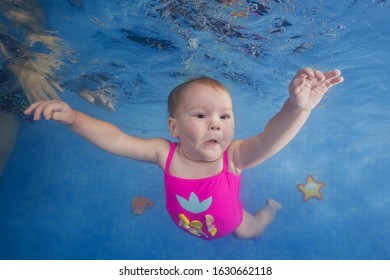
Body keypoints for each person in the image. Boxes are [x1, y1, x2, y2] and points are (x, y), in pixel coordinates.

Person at [24, 68, 344, 240]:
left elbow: (269, 139)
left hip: (233, 223)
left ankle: (269, 211)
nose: (216, 125)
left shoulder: (231, 159)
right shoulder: (165, 154)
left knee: (249, 231)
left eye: (225, 116)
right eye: (201, 116)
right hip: (188, 223)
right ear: (174, 128)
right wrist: (74, 118)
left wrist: (296, 108)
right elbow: (117, 140)